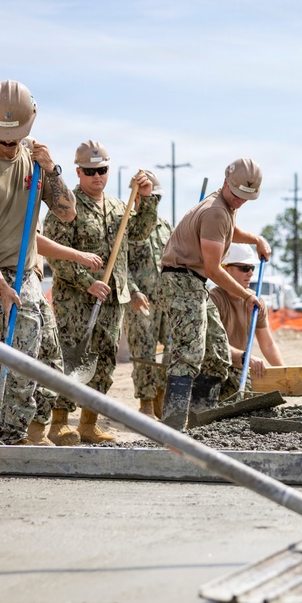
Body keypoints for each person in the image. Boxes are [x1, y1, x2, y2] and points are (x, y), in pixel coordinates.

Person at [0, 80, 77, 446]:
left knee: (25, 362)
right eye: (3, 135)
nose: (9, 143)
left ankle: (11, 436)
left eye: (15, 135)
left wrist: (52, 171)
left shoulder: (36, 163)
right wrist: (2, 286)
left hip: (24, 275)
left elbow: (67, 214)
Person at [43, 140, 157, 443]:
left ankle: (89, 423)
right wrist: (86, 282)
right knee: (71, 360)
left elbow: (137, 236)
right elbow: (55, 255)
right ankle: (59, 422)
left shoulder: (120, 206)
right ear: (79, 172)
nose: (97, 176)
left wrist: (145, 200)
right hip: (76, 301)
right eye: (91, 171)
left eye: (102, 170)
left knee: (104, 362)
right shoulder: (66, 206)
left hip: (111, 301)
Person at [159, 158, 269, 431]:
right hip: (181, 281)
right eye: (238, 194)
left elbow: (228, 232)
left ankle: (200, 424)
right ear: (225, 182)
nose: (241, 201)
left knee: (218, 353)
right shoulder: (216, 211)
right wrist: (245, 294)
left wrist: (256, 239)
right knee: (188, 355)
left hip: (194, 284)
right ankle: (173, 428)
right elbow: (213, 268)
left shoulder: (223, 205)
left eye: (247, 197)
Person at [28, 232, 103, 446]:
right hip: (69, 300)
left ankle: (42, 430)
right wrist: (86, 276)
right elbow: (50, 249)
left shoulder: (113, 207)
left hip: (108, 296)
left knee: (55, 359)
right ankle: (54, 424)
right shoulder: (27, 202)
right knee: (52, 360)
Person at [125, 170, 173, 420]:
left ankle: (161, 399)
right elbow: (120, 264)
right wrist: (133, 292)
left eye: (156, 199)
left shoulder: (166, 227)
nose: (152, 203)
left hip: (165, 300)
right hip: (140, 301)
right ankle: (145, 405)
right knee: (143, 351)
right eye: (148, 198)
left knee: (172, 348)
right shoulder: (127, 225)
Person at [210, 243, 285, 395]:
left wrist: (285, 373)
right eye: (244, 268)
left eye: (252, 268)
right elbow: (212, 345)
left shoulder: (256, 301)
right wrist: (246, 357)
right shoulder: (212, 300)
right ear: (225, 269)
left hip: (239, 368)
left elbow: (268, 345)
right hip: (213, 370)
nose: (250, 273)